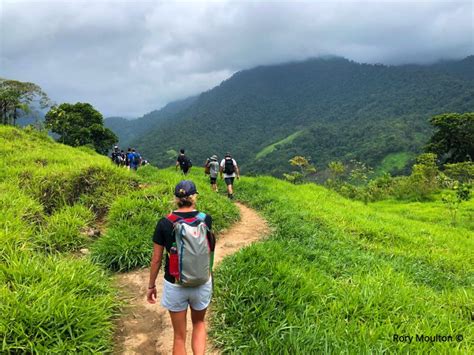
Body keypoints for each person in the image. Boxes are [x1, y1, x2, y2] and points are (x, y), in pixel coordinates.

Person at [147, 180, 214, 355]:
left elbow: (156, 260)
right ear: (194, 197)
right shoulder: (205, 219)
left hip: (175, 283)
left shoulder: (164, 223)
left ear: (175, 198)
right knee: (199, 324)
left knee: (178, 336)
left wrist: (151, 285)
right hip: (202, 281)